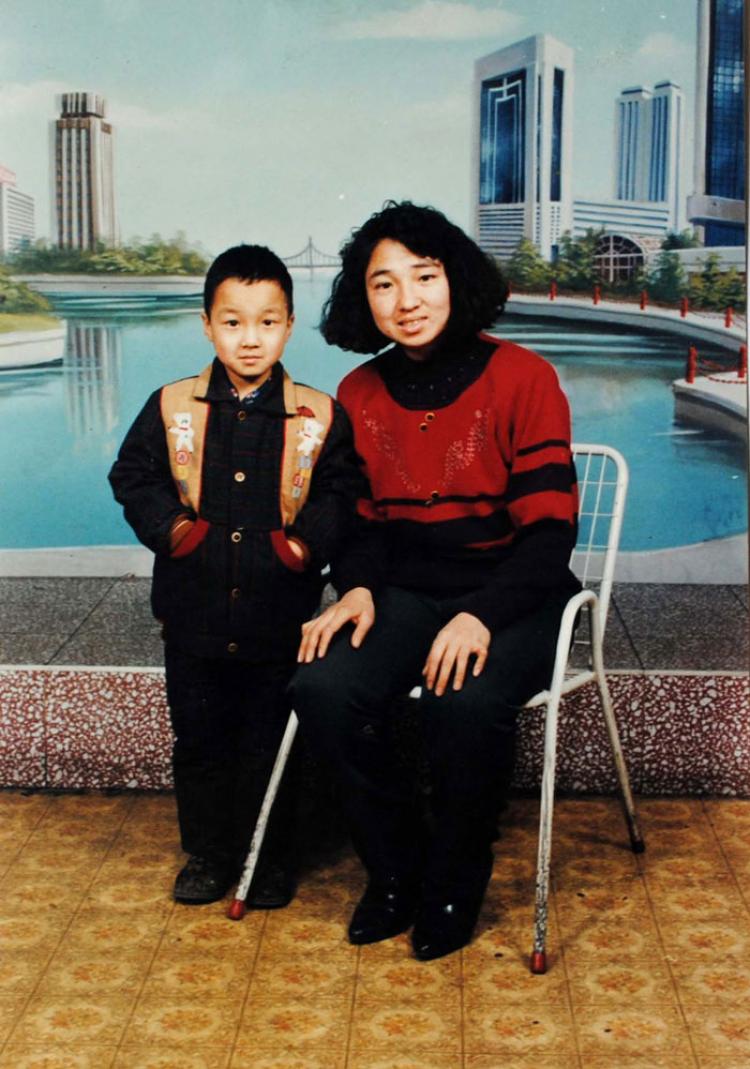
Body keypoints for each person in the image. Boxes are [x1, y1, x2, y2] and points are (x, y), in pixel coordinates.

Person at [291, 202, 581, 960]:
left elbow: (549, 535)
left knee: (464, 701)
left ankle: (454, 880)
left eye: (424, 276)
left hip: (517, 592)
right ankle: (395, 869)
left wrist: (481, 614)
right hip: (407, 592)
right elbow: (358, 524)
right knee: (323, 688)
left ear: (456, 280)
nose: (407, 300)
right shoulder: (358, 391)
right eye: (384, 284)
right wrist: (355, 586)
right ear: (364, 298)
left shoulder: (525, 377)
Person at [109, 244, 357, 906]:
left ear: (289, 325)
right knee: (200, 739)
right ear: (207, 325)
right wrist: (179, 532)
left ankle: (269, 858)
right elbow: (133, 476)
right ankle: (209, 853)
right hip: (192, 614)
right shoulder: (172, 406)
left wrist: (300, 549)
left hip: (280, 617)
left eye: (267, 322)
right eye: (233, 322)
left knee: (270, 738)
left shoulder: (318, 415)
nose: (251, 338)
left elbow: (341, 494)